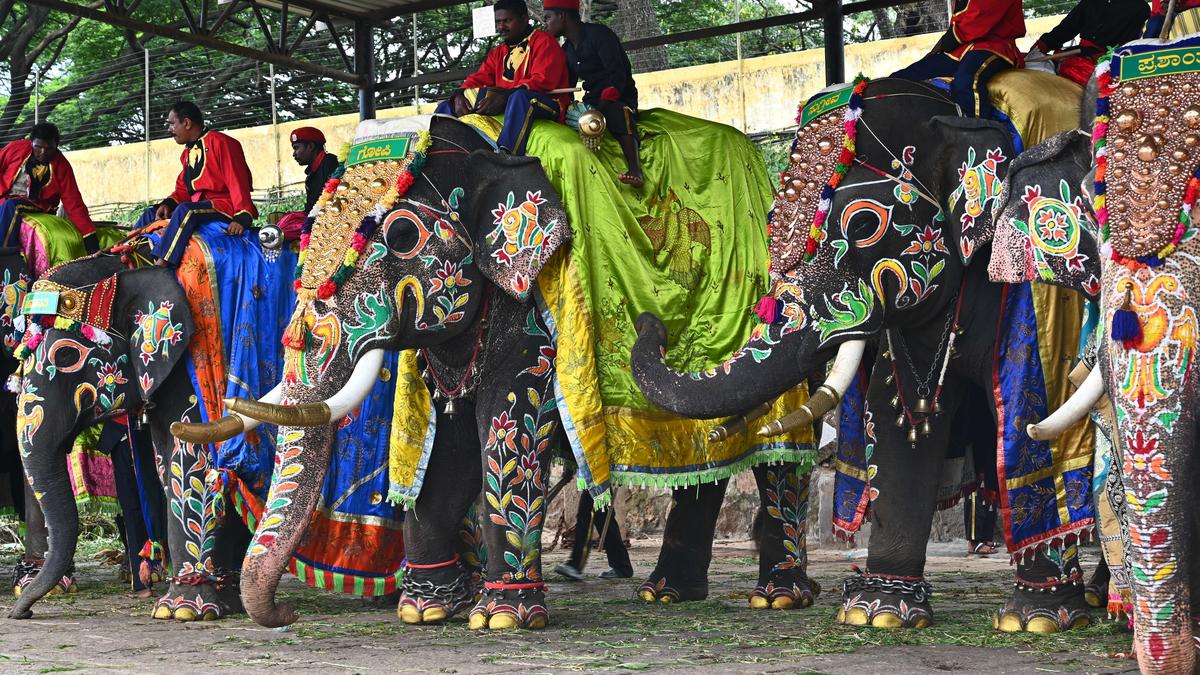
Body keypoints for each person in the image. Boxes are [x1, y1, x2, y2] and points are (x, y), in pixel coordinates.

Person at [435, 0, 570, 155]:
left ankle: (506, 155)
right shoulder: (498, 52)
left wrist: (505, 97)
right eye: (498, 22)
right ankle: (432, 150)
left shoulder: (544, 41)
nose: (501, 27)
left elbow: (542, 81)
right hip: (507, 102)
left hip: (549, 103)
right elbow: (479, 77)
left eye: (507, 21)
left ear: (525, 19)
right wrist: (459, 94)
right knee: (447, 106)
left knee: (520, 97)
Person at [134, 101, 256, 267]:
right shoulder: (187, 153)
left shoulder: (222, 142)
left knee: (186, 210)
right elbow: (183, 189)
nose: (169, 130)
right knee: (151, 213)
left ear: (186, 123)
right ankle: (129, 250)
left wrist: (242, 216)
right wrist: (168, 204)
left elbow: (237, 181)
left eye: (172, 124)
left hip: (225, 205)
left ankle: (162, 263)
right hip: (199, 206)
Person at [543, 0, 644, 187]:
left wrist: (600, 108)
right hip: (593, 100)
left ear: (562, 17)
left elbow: (618, 75)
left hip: (619, 96)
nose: (545, 23)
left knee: (616, 112)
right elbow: (568, 86)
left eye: (548, 18)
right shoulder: (566, 50)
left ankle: (635, 169)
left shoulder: (600, 34)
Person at [892, 0, 1026, 118]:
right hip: (961, 49)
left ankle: (979, 137)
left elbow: (977, 20)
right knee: (902, 77)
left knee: (965, 81)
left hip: (994, 46)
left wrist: (945, 43)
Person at [0, 122, 98, 253]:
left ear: (56, 146)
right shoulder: (15, 148)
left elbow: (74, 202)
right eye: (38, 147)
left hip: (38, 205)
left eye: (49, 148)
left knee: (11, 206)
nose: (42, 152)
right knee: (7, 204)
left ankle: (5, 253)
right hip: (5, 198)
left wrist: (91, 241)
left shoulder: (62, 166)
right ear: (31, 142)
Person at [1029, 0, 1149, 86]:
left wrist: (1103, 57)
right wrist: (1039, 48)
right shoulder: (1090, 2)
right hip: (1077, 54)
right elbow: (1066, 28)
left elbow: (1127, 45)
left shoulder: (1139, 7)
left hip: (1106, 62)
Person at [274, 127, 340, 238]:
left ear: (310, 146)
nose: (294, 154)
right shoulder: (311, 173)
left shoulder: (330, 163)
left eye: (296, 148)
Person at [556, 490, 633, 580]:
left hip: (599, 480)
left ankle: (575, 564)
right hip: (593, 480)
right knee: (598, 517)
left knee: (594, 516)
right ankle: (621, 565)